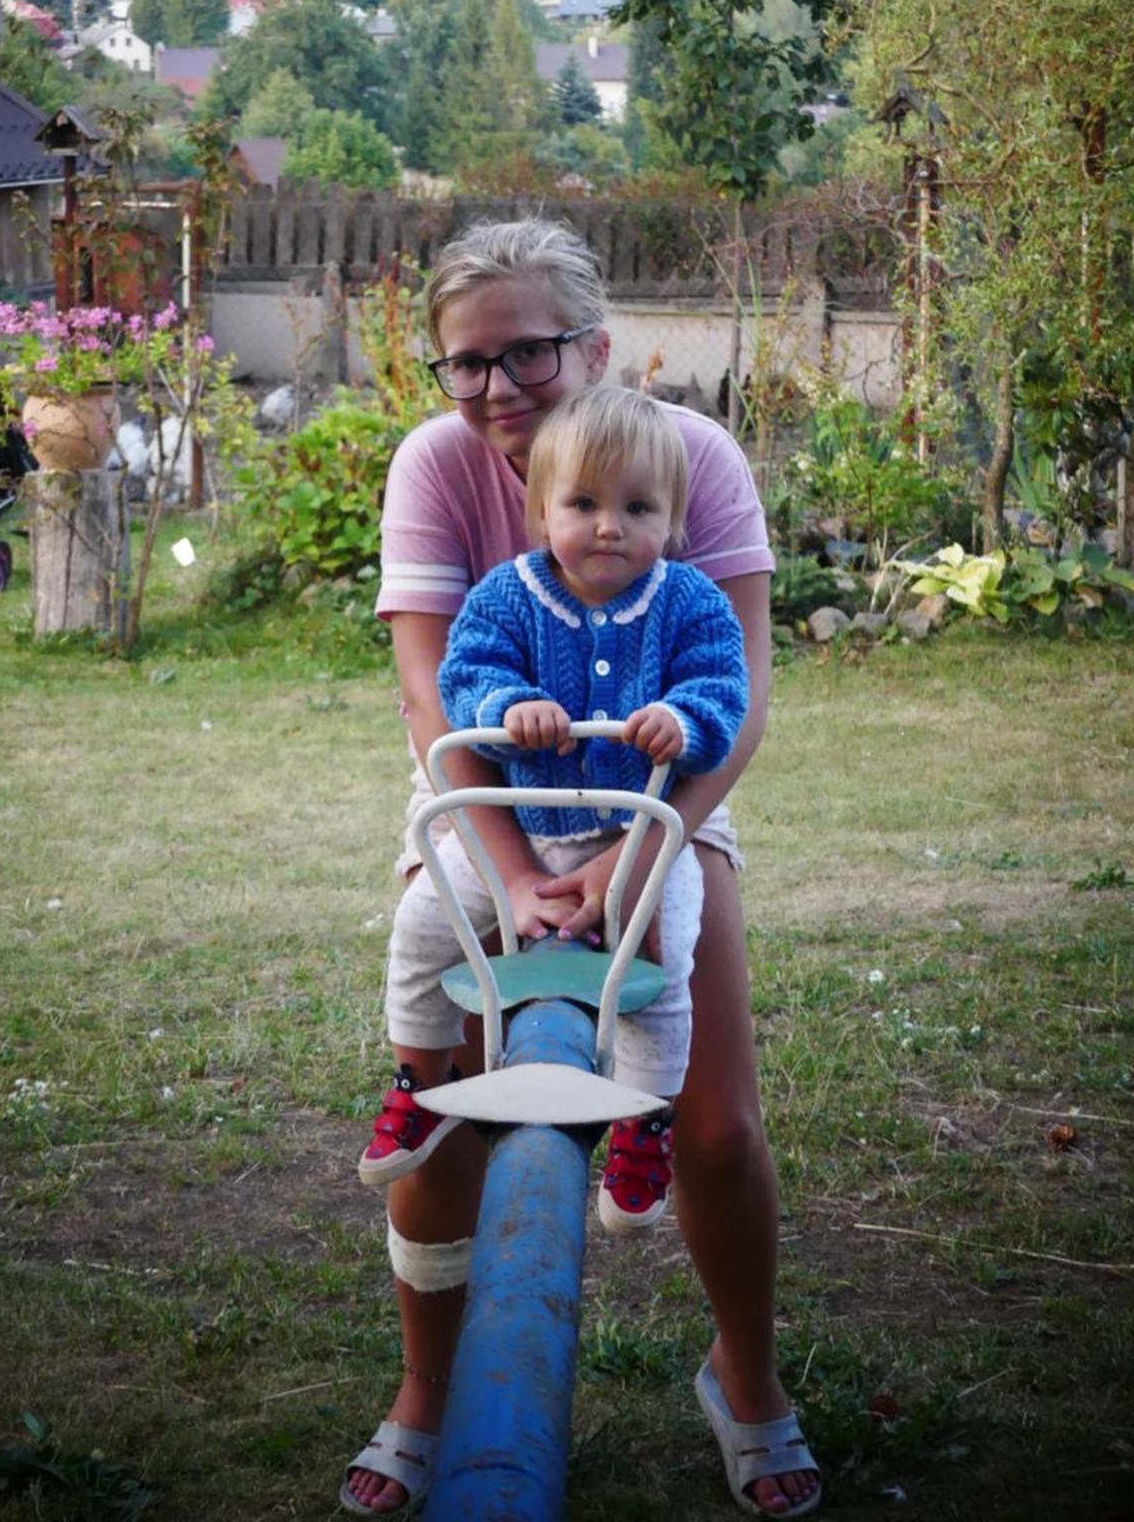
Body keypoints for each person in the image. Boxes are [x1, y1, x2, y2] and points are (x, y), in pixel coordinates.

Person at [341, 219, 821, 1519]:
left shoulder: (689, 458)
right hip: (483, 796)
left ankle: (747, 1374)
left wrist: (627, 856)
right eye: (465, 364)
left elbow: (743, 690)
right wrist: (510, 877)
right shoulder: (438, 466)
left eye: (527, 354)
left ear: (596, 345)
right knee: (447, 1101)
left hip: (660, 802)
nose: (496, 389)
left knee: (715, 1114)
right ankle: (430, 1393)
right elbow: (429, 697)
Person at [359, 387, 750, 1244]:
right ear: (541, 512)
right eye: (583, 504)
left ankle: (644, 1121)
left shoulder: (689, 603)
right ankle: (416, 1083)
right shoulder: (508, 595)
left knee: (662, 949)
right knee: (429, 917)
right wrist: (510, 705)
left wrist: (682, 721)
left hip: (634, 826)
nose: (609, 526)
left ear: (673, 521)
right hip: (522, 814)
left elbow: (724, 687)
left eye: (637, 507)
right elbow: (466, 673)